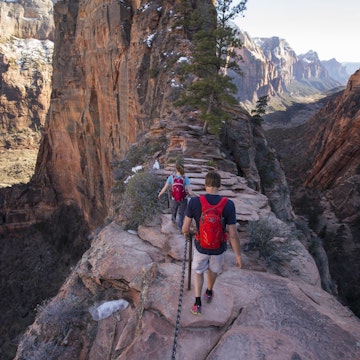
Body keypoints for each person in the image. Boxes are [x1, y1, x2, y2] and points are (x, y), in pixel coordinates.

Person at [182, 171, 242, 315]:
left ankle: (197, 303)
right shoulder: (228, 205)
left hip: (200, 246)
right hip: (218, 248)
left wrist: (187, 233)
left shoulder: (195, 202)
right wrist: (238, 255)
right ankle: (209, 292)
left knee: (198, 271)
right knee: (214, 270)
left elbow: (185, 228)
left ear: (205, 185)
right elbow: (233, 234)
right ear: (219, 186)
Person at [158, 163, 196, 229]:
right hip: (183, 199)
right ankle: (180, 227)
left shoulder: (171, 177)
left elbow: (165, 187)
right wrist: (197, 195)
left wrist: (160, 194)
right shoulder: (185, 179)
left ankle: (173, 222)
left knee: (173, 211)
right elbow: (190, 191)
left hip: (174, 198)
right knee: (181, 214)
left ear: (176, 169)